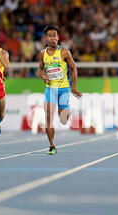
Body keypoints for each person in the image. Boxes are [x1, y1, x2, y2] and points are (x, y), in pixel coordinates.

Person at [38, 24, 82, 155]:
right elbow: (40, 69)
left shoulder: (64, 52)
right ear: (46, 38)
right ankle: (52, 146)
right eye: (50, 36)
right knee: (48, 115)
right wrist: (43, 75)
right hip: (50, 89)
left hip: (63, 88)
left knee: (63, 120)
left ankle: (67, 108)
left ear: (58, 37)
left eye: (55, 35)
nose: (53, 38)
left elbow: (73, 69)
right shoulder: (42, 53)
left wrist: (73, 87)